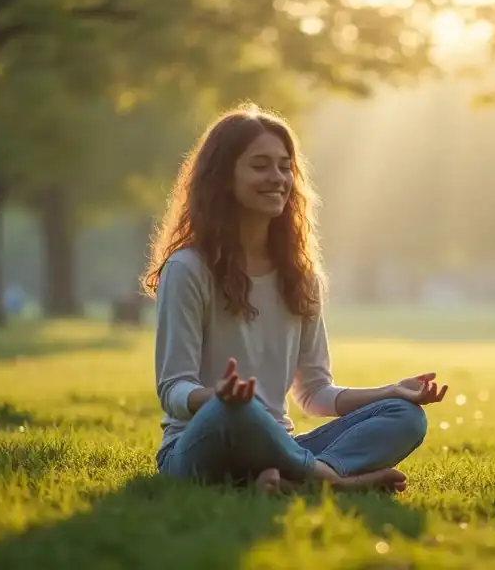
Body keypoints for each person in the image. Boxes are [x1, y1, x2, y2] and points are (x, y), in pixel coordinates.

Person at [141, 104, 448, 493]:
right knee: (240, 412)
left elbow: (315, 393)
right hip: (199, 446)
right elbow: (173, 390)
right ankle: (329, 480)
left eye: (285, 166)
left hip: (278, 445)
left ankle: (284, 478)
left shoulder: (300, 276)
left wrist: (390, 390)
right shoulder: (187, 269)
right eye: (260, 165)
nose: (277, 177)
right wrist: (219, 397)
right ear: (223, 178)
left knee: (405, 416)